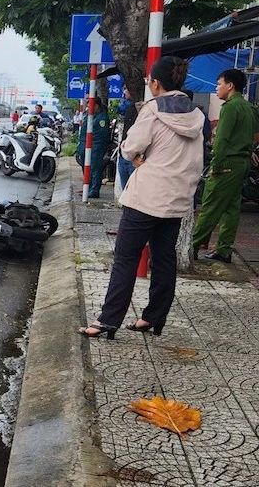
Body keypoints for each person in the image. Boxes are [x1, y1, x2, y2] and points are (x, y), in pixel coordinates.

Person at [78, 56, 203, 339]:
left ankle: (108, 321)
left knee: (125, 258)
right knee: (164, 259)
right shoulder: (196, 114)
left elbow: (131, 147)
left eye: (149, 81)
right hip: (177, 199)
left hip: (146, 198)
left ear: (156, 83)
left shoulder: (152, 110)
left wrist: (134, 154)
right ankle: (153, 318)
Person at [191, 68, 259, 263]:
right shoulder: (249, 107)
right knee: (231, 207)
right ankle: (224, 249)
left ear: (230, 86)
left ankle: (193, 245)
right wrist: (249, 150)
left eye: (219, 84)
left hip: (227, 163)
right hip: (242, 162)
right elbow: (256, 135)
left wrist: (216, 165)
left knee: (210, 205)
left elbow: (221, 140)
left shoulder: (230, 107)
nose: (217, 88)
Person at [76, 97, 110, 198]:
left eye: (90, 105)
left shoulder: (101, 118)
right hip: (85, 145)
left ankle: (94, 190)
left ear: (96, 106)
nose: (87, 107)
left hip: (96, 146)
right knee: (86, 166)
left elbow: (102, 135)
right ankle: (88, 186)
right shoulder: (89, 116)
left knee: (95, 168)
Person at [117, 87, 138, 187]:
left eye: (126, 89)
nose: (124, 92)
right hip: (124, 152)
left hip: (134, 155)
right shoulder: (128, 107)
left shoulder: (142, 109)